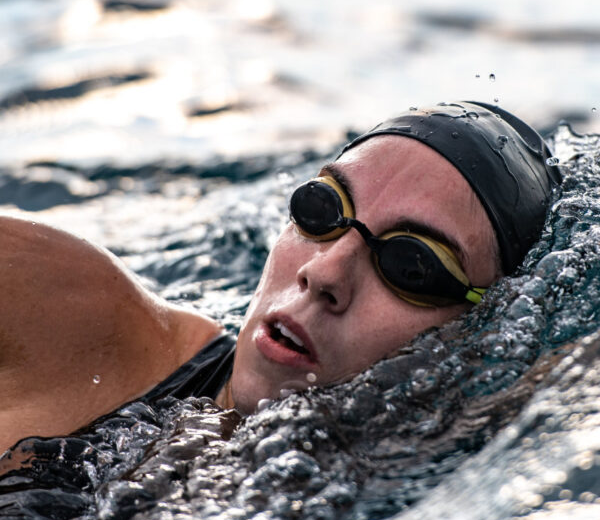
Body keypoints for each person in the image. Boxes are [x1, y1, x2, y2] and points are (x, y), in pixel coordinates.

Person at [0, 101, 561, 453]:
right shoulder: (73, 310)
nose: (324, 272)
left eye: (411, 263)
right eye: (321, 209)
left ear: (484, 331)